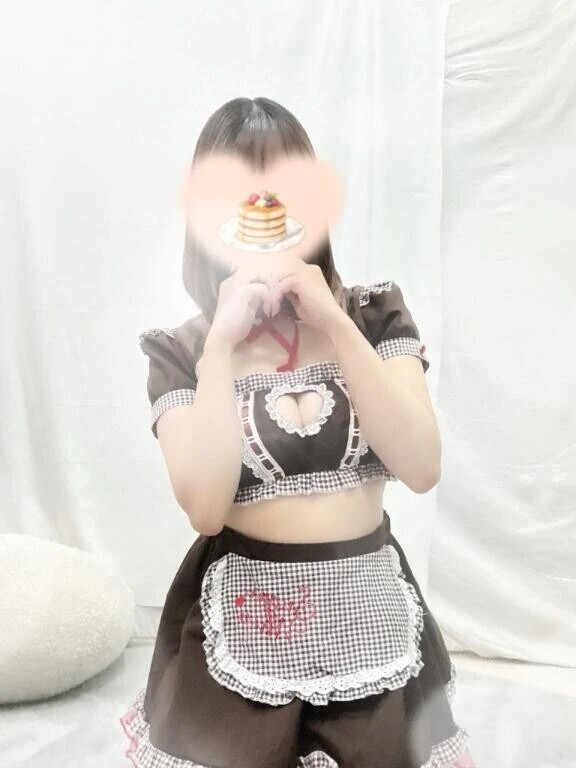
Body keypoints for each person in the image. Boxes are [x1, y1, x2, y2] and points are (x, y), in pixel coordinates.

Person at [119, 96, 476, 768]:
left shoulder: (373, 316)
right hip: (243, 630)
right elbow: (205, 506)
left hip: (368, 618)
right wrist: (221, 344)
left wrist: (334, 324)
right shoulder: (181, 351)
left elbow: (421, 465)